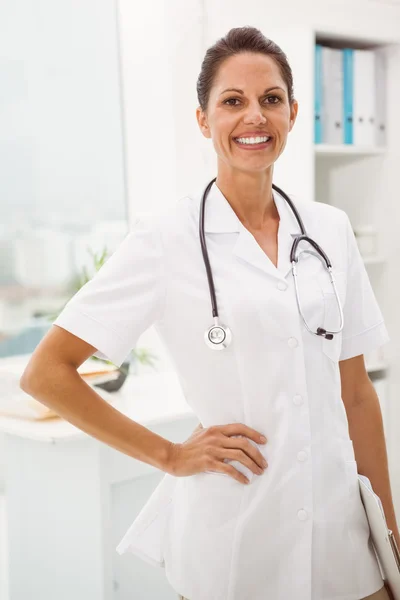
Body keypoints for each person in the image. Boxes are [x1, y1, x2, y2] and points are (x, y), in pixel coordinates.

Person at [20, 26, 398, 600]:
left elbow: (355, 396)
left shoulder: (329, 230)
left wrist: (390, 537)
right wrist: (169, 455)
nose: (255, 116)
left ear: (293, 114)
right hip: (233, 541)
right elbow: (46, 373)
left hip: (339, 536)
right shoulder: (164, 239)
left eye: (271, 99)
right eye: (232, 101)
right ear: (203, 120)